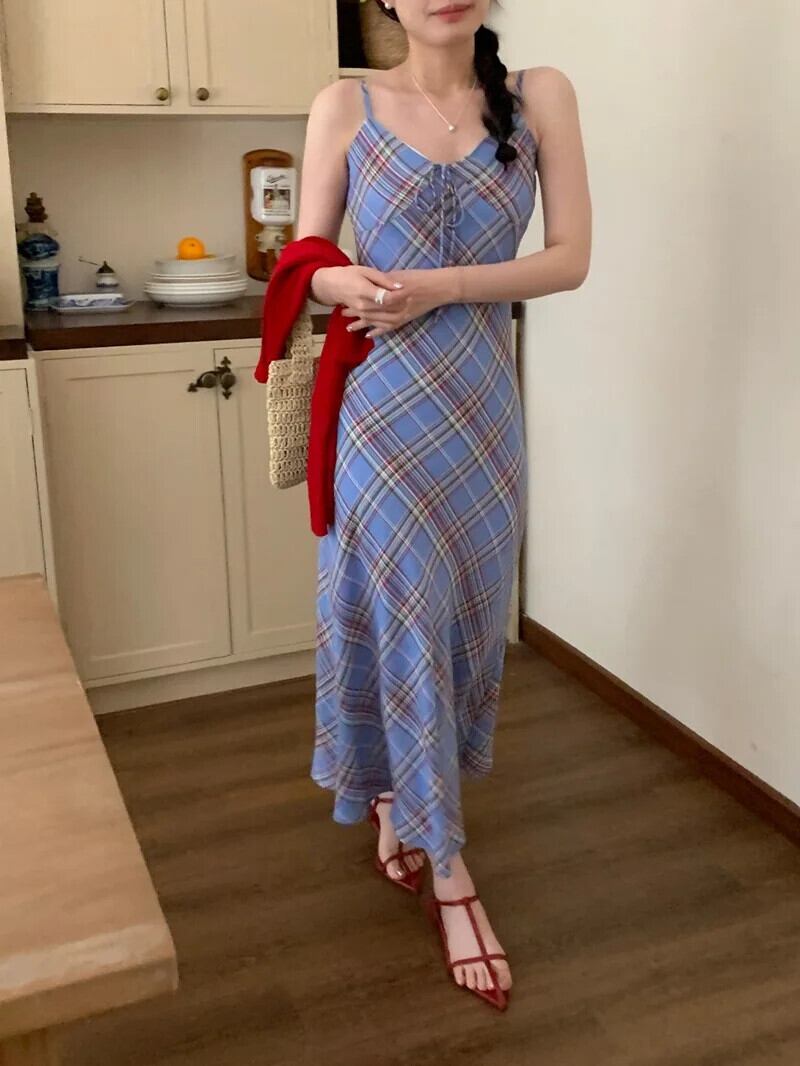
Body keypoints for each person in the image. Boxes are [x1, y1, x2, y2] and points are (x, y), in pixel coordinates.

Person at [295, 0, 591, 1009]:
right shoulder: (342, 106)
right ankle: (450, 870)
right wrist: (350, 286)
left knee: (460, 622)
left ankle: (399, 798)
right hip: (379, 413)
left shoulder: (539, 96)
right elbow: (304, 262)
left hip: (480, 414)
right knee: (400, 614)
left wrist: (439, 286)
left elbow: (569, 259)